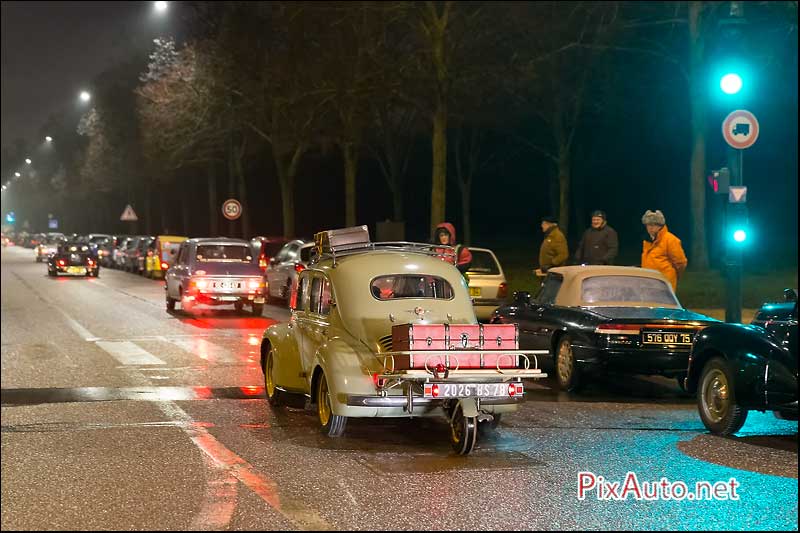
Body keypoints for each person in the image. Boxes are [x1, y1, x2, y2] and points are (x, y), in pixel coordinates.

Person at [641, 210, 687, 291]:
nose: (650, 227)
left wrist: (673, 275)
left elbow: (681, 262)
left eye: (654, 224)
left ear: (660, 226)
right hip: (648, 281)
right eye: (648, 225)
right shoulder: (647, 241)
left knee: (663, 303)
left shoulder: (671, 240)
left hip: (664, 282)